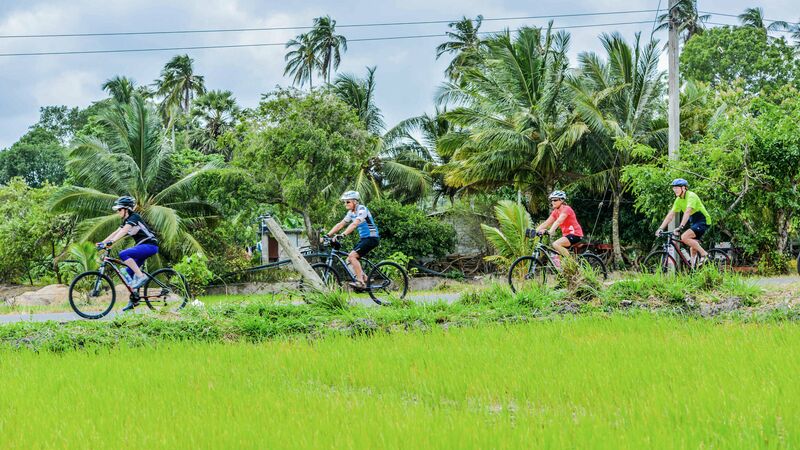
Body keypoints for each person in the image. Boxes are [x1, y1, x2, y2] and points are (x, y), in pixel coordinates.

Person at [97, 196, 159, 309]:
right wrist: (102, 242)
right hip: (143, 247)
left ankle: (141, 276)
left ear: (127, 209)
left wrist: (112, 242)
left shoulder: (134, 217)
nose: (118, 211)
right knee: (127, 273)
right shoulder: (126, 221)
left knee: (123, 253)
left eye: (119, 209)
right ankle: (134, 300)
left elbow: (125, 231)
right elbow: (117, 231)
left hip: (150, 246)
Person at [324, 190, 380, 289]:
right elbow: (340, 224)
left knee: (352, 256)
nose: (345, 204)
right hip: (364, 239)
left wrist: (343, 235)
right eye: (344, 202)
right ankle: (365, 278)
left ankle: (360, 282)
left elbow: (354, 224)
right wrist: (327, 235)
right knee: (349, 259)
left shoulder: (362, 210)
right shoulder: (351, 213)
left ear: (355, 201)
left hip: (372, 238)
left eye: (348, 202)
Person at [655, 178, 711, 267]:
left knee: (684, 237)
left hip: (702, 220)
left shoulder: (691, 196)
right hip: (693, 221)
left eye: (677, 187)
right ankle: (694, 269)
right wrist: (661, 228)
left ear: (684, 188)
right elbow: (670, 215)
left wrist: (681, 226)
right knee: (693, 247)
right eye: (674, 188)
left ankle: (705, 254)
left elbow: (688, 211)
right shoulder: (678, 200)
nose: (675, 190)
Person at [534, 190, 584, 267]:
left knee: (556, 244)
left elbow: (558, 221)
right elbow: (546, 223)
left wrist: (551, 231)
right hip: (567, 236)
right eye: (552, 200)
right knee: (556, 255)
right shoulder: (555, 211)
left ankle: (573, 266)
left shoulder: (566, 209)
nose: (552, 202)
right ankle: (565, 272)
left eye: (555, 200)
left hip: (575, 234)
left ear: (561, 200)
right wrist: (534, 231)